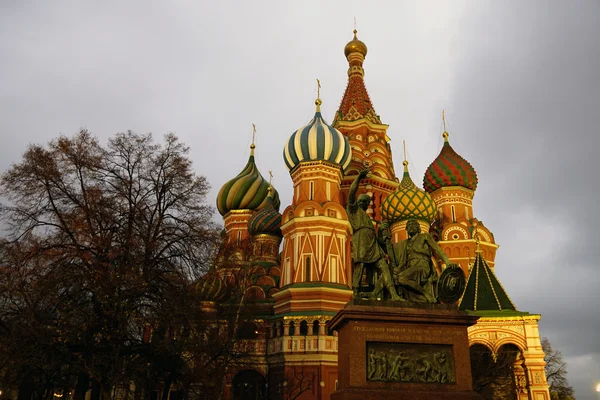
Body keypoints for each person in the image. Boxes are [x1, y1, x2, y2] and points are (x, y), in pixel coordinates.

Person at [347, 167, 400, 300]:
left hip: (372, 243)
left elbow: (375, 236)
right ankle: (356, 293)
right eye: (364, 201)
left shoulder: (368, 220)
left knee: (384, 267)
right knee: (360, 266)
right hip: (361, 241)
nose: (366, 203)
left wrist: (384, 238)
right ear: (359, 202)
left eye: (367, 201)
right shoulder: (354, 211)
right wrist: (359, 177)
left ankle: (394, 294)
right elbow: (351, 194)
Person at [389, 218, 451, 303]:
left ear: (418, 227)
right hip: (409, 267)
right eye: (408, 225)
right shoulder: (405, 243)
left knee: (401, 278)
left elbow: (437, 249)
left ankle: (426, 295)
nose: (410, 227)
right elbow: (392, 250)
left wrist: (448, 262)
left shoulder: (425, 236)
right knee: (392, 276)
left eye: (412, 224)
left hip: (422, 266)